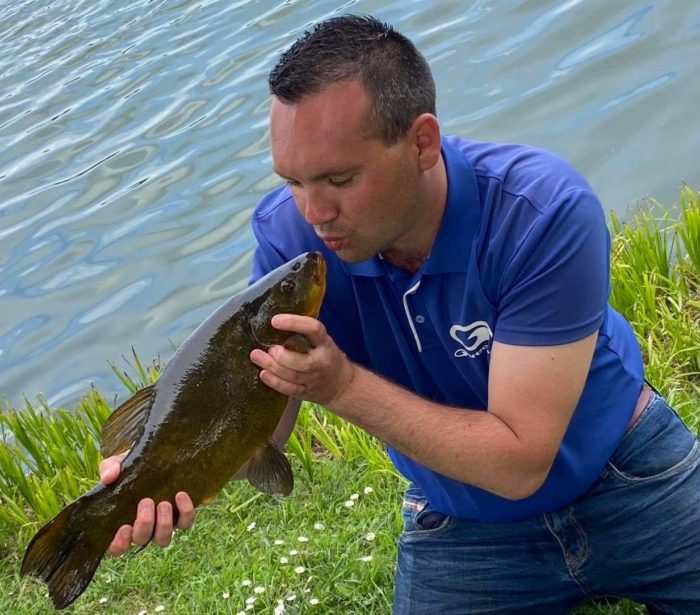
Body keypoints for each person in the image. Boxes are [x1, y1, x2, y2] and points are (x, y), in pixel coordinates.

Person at [100, 14, 700, 614]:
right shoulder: (292, 243)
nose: (314, 212)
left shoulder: (540, 212)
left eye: (339, 178)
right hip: (465, 519)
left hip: (625, 475)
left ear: (421, 142)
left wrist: (342, 387)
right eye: (293, 182)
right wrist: (159, 471)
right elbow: (268, 427)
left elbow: (521, 462)